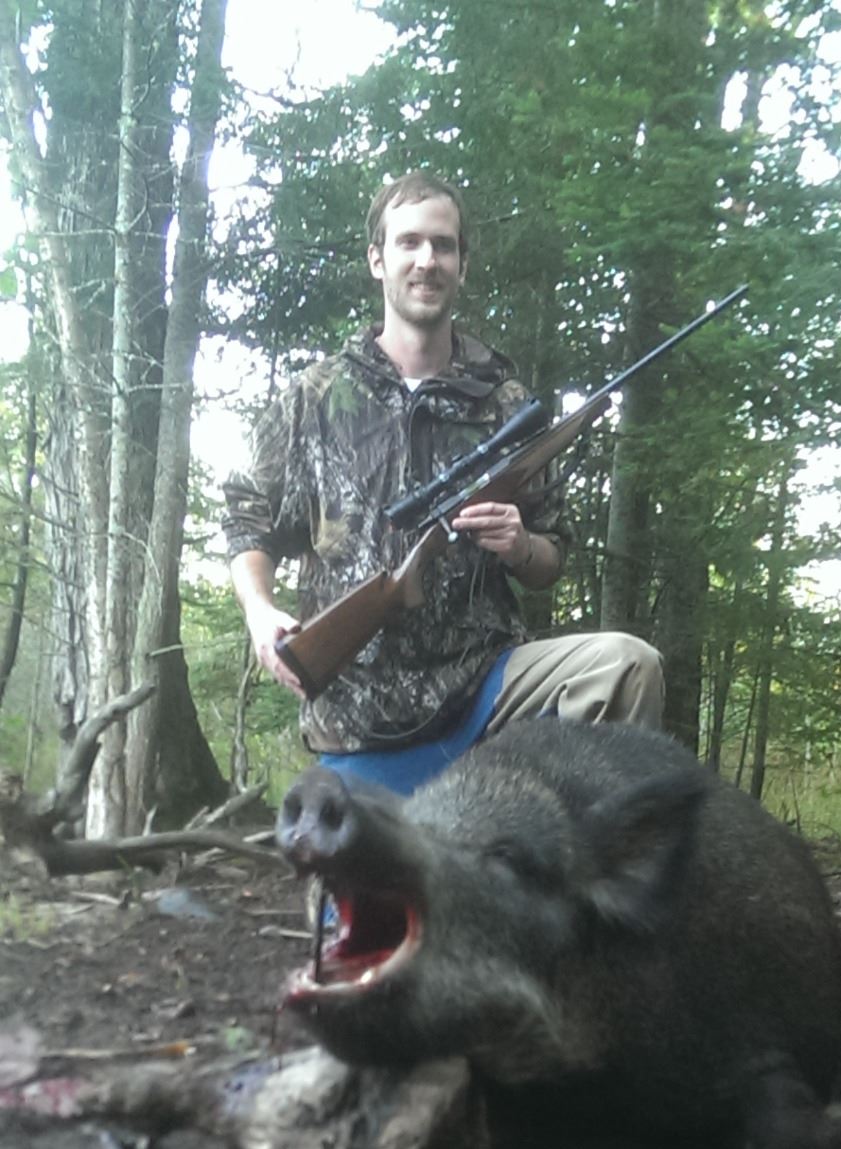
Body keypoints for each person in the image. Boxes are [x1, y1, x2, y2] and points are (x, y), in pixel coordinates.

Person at [223, 172, 663, 795]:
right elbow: (248, 521)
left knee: (628, 666)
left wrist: (520, 546)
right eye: (409, 242)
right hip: (361, 719)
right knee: (346, 859)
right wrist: (261, 613)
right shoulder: (313, 398)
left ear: (462, 264)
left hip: (488, 695)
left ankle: (591, 854)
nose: (427, 260)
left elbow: (551, 556)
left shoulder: (506, 402)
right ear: (377, 259)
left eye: (443, 245)